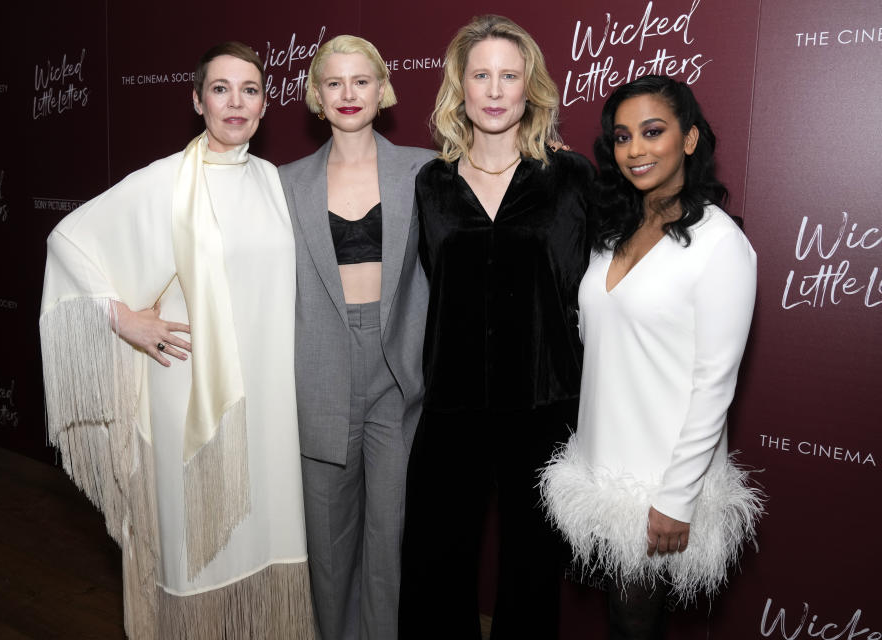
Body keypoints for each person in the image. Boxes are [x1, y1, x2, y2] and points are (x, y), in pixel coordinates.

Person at [39, 42, 314, 639]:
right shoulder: (164, 181)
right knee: (191, 550)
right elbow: (67, 240)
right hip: (184, 388)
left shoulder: (272, 182)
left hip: (267, 395)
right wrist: (123, 319)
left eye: (249, 90)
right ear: (197, 100)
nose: (235, 102)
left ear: (266, 105)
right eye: (221, 89)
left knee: (268, 528)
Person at [540, 75, 765, 639]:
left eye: (653, 131)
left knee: (636, 625)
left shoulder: (721, 245)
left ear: (689, 140)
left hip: (660, 474)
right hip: (603, 460)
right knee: (623, 619)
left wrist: (676, 496)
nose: (635, 149)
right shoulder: (616, 229)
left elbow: (715, 381)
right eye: (622, 137)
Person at [398, 15, 593, 639]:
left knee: (532, 572)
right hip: (450, 402)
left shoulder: (572, 178)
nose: (494, 89)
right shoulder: (430, 183)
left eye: (509, 75)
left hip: (542, 403)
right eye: (480, 75)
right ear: (460, 86)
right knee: (434, 565)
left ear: (529, 86)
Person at [278, 35, 434, 640]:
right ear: (317, 94)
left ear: (382, 89)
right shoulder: (284, 182)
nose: (349, 94)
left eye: (361, 81)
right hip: (318, 367)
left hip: (399, 372)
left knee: (390, 535)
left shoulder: (423, 169)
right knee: (328, 536)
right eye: (335, 83)